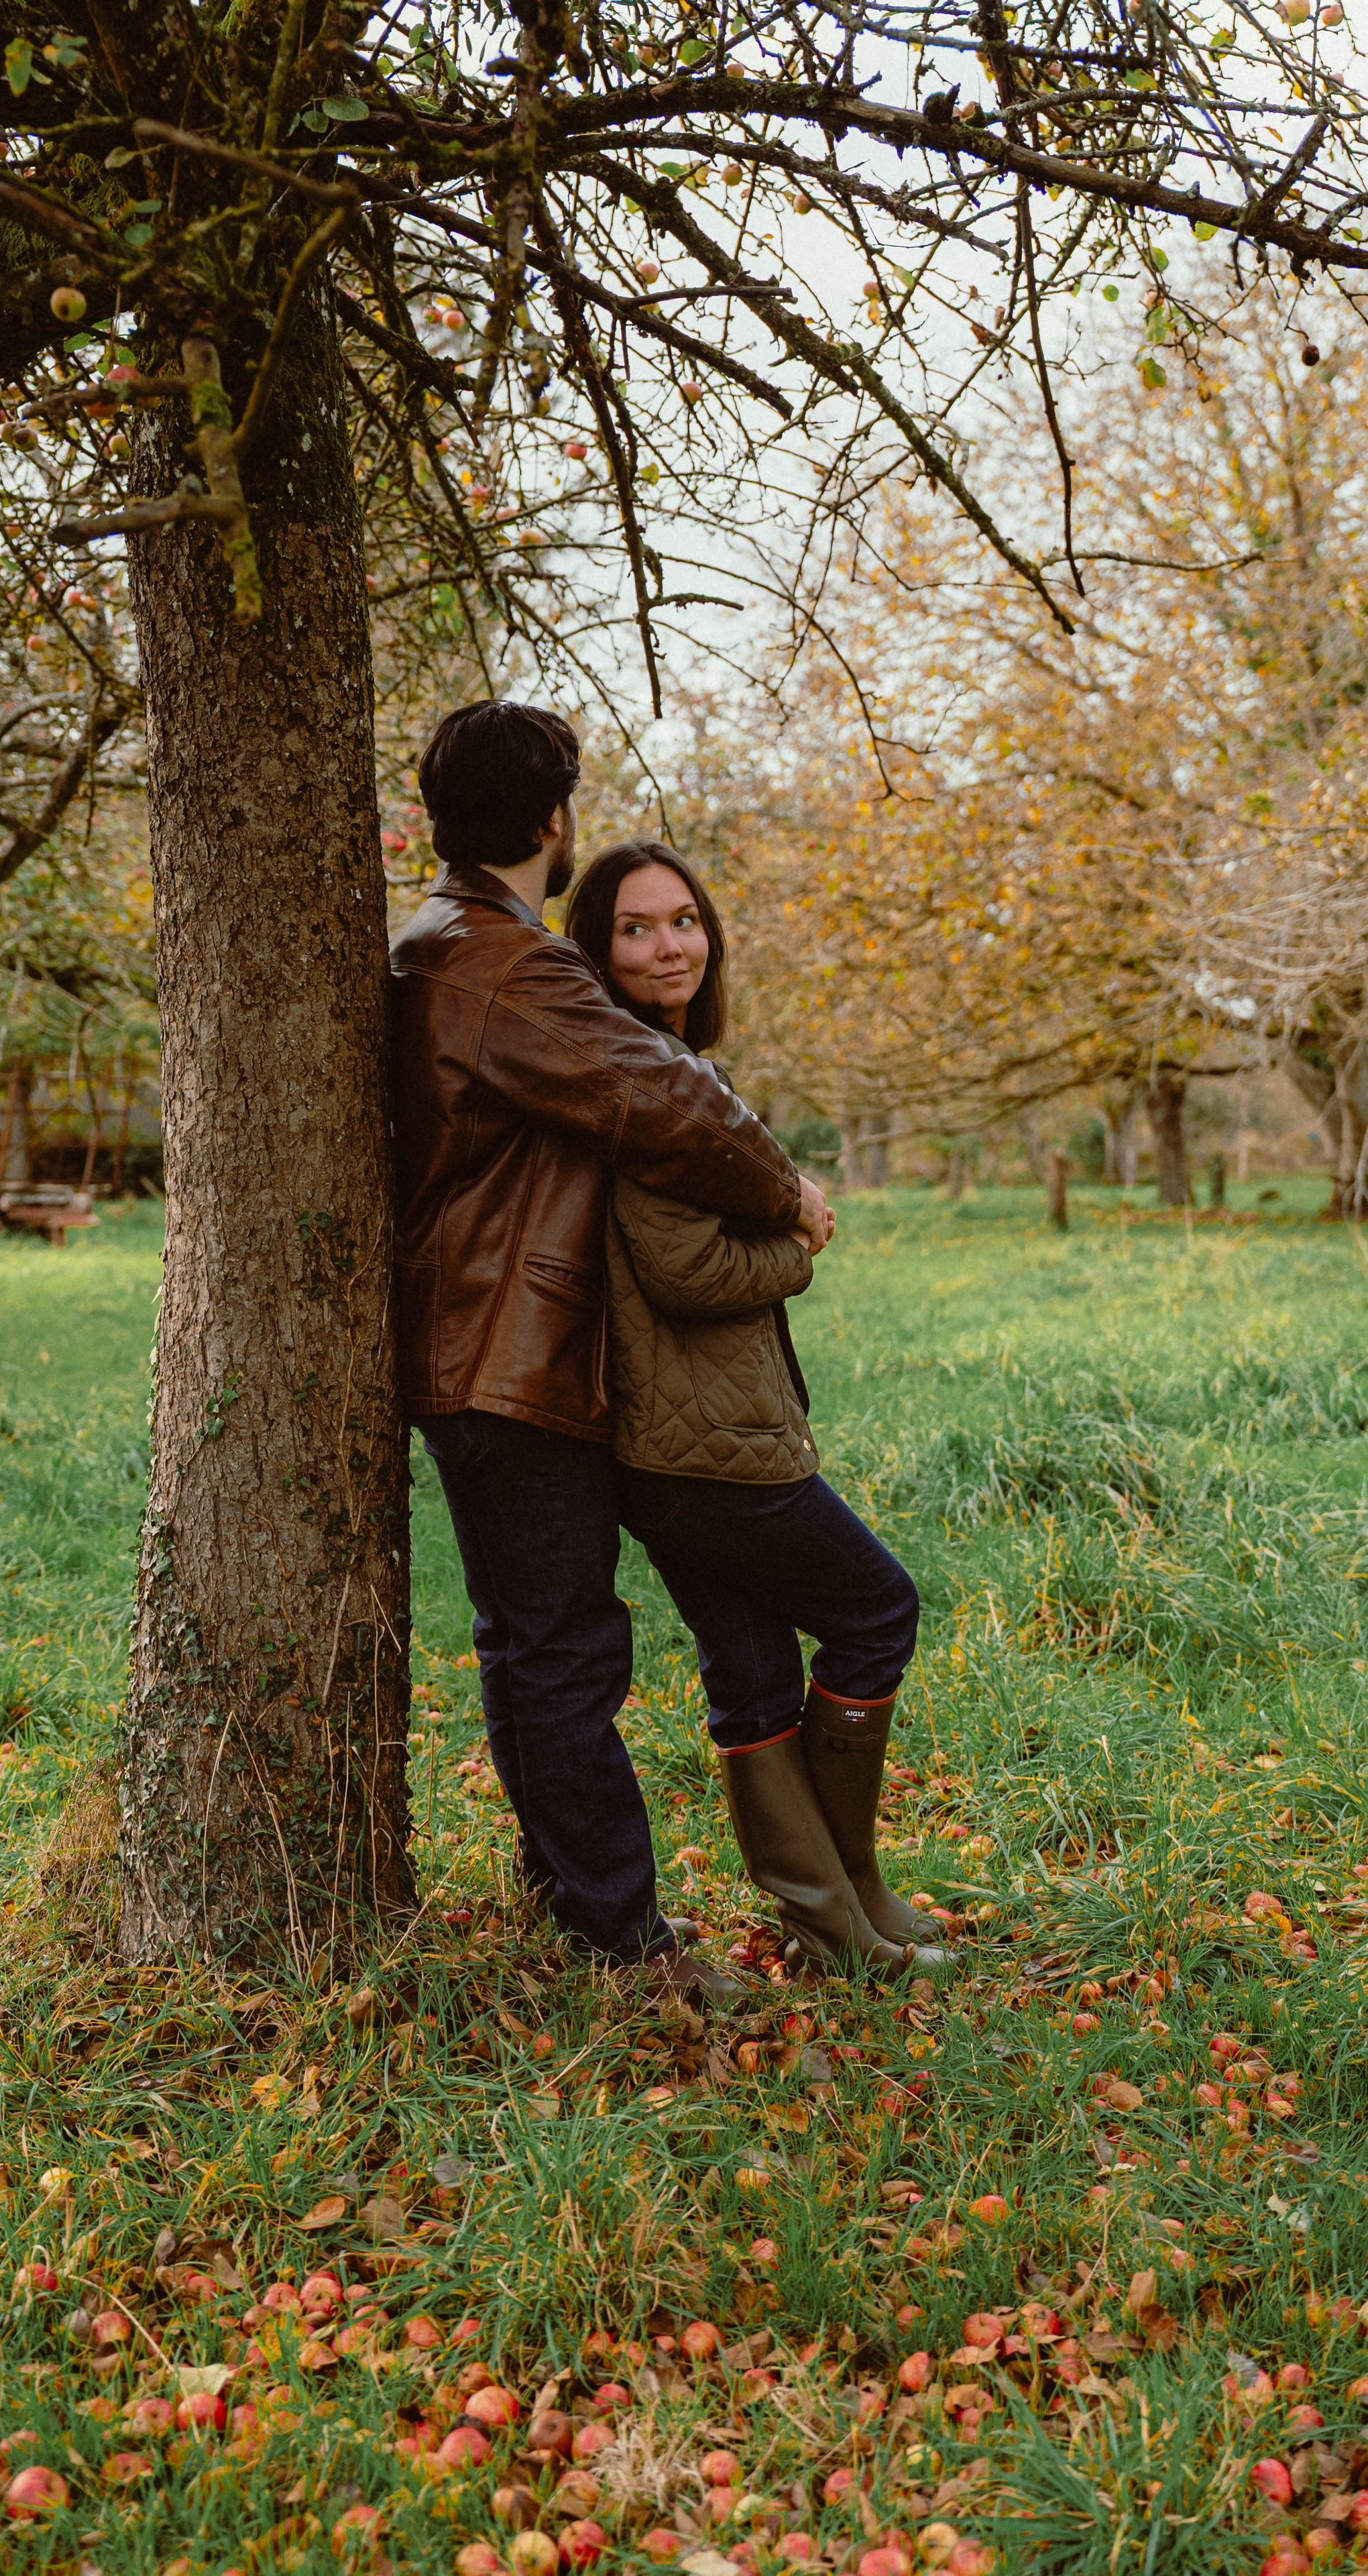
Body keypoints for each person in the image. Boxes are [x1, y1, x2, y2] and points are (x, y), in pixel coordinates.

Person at [388, 702, 833, 2003]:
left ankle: (563, 1892)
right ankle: (619, 1942)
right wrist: (784, 1193)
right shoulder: (501, 962)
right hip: (507, 1346)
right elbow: (659, 1094)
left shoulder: (438, 939)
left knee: (532, 1643)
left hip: (473, 1343)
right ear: (552, 820)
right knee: (565, 1646)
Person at [565, 839, 950, 1978]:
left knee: (750, 1665)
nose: (669, 943)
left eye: (683, 919)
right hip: (704, 1443)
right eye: (636, 928)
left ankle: (834, 1924)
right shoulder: (648, 1078)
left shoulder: (665, 1061)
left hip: (675, 1438)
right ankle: (850, 1890)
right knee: (877, 1608)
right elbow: (686, 1272)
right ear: (598, 947)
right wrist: (797, 1245)